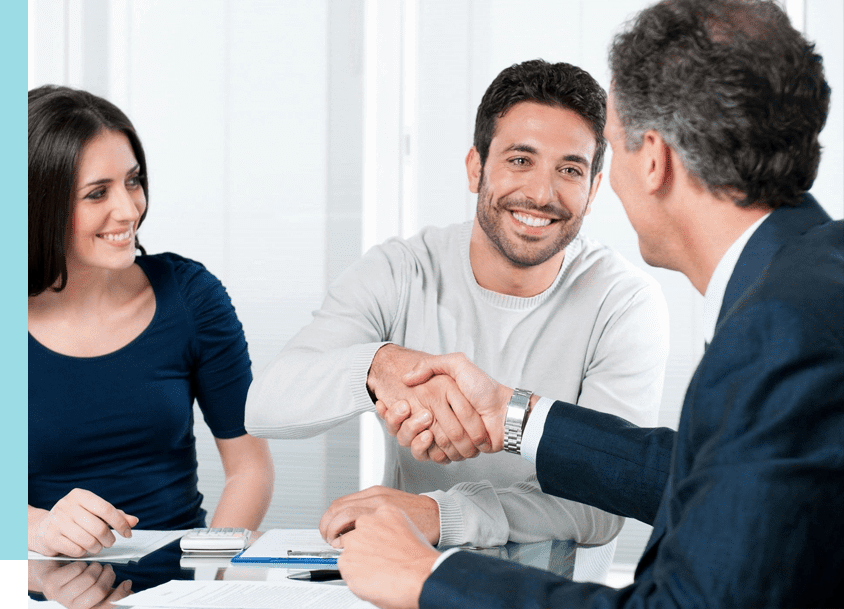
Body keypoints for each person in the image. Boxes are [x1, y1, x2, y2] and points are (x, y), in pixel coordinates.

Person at [336, 0, 844, 609]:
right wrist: (511, 415)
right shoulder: (811, 276)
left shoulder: (782, 328)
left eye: (610, 141)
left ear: (652, 158)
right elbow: (718, 479)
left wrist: (425, 577)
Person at [246, 60, 669, 580]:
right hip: (411, 580)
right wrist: (378, 368)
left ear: (594, 187)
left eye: (570, 169)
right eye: (520, 159)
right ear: (475, 167)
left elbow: (604, 506)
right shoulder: (401, 271)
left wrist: (445, 513)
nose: (542, 193)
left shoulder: (624, 302)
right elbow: (265, 404)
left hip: (555, 593)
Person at [28, 86, 274, 558]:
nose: (128, 209)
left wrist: (211, 571)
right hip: (41, 581)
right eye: (97, 193)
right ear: (43, 204)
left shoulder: (191, 296)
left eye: (133, 181)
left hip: (179, 579)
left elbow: (250, 468)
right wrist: (39, 528)